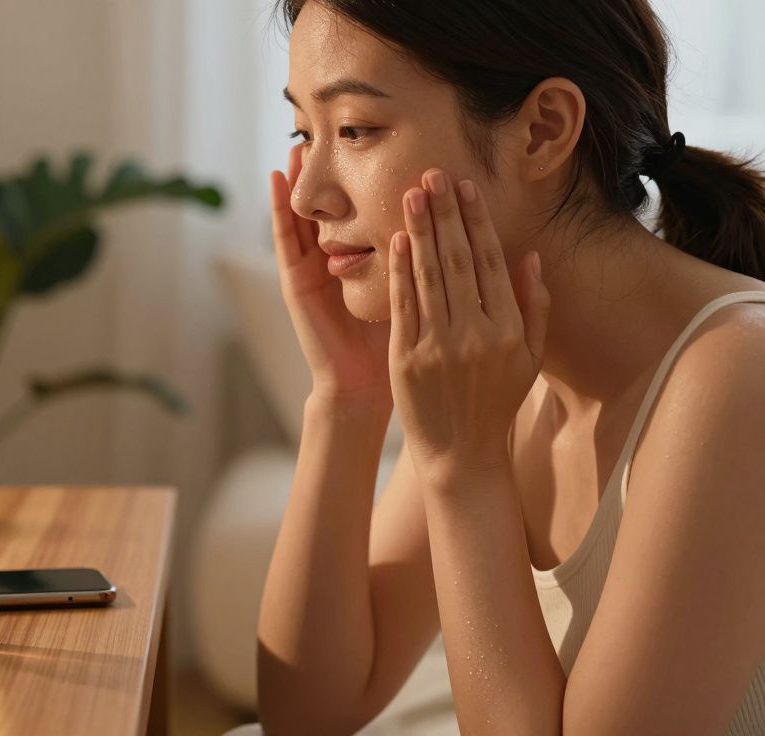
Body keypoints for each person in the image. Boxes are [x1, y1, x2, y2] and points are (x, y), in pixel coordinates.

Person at [250, 0, 765, 733]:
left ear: (543, 129)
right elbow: (307, 712)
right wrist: (347, 393)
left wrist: (464, 467)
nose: (307, 195)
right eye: (305, 132)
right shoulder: (501, 363)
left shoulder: (738, 374)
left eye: (356, 129)